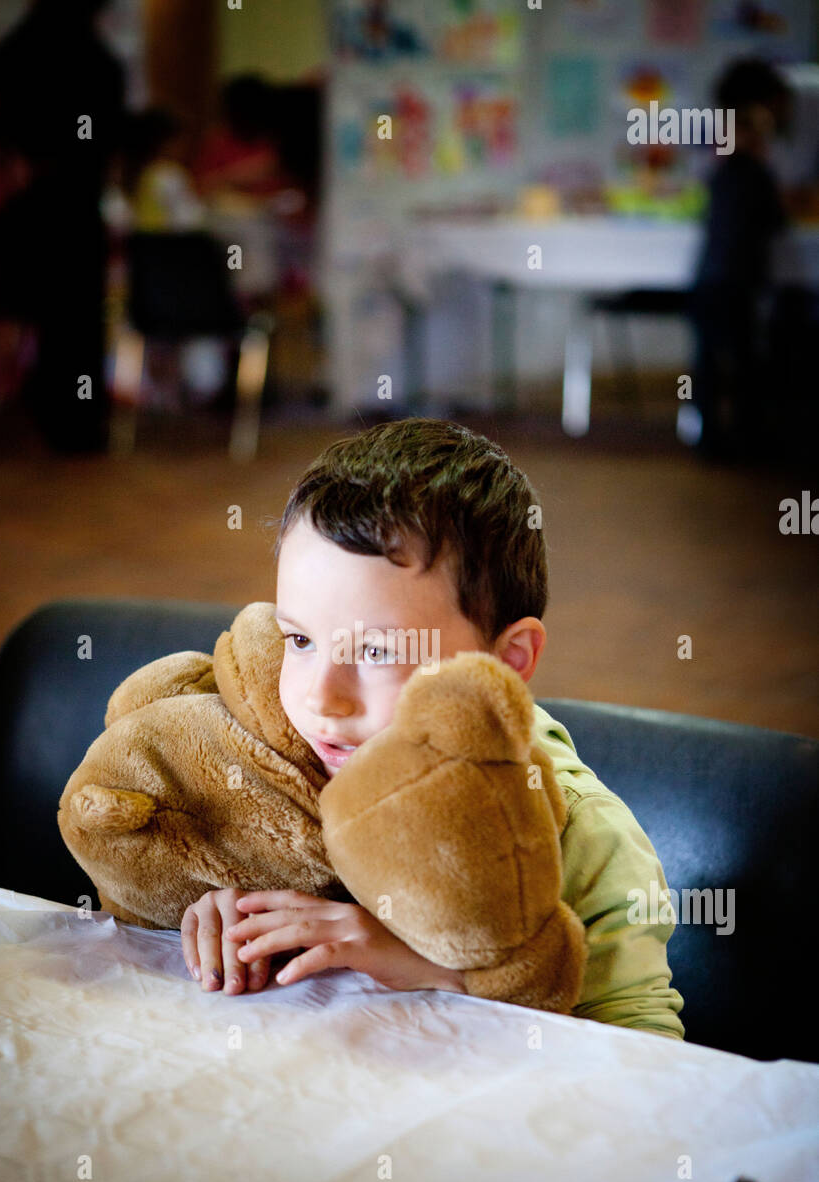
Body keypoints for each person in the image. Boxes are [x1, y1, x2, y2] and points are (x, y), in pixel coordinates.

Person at [178, 418, 686, 1041]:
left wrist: (434, 969)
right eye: (301, 640)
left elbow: (649, 1061)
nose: (320, 700)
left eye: (376, 652)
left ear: (508, 661)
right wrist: (222, 908)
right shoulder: (283, 755)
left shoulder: (587, 840)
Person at [0, 0, 124, 452]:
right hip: (72, 205)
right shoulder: (95, 59)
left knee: (52, 317)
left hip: (36, 205)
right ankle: (77, 427)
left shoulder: (26, 49)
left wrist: (12, 148)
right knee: (77, 320)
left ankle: (56, 418)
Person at [691, 59, 791, 463]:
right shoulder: (759, 175)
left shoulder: (719, 175)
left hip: (708, 283)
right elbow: (776, 223)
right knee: (746, 361)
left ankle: (710, 439)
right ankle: (747, 437)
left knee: (710, 361)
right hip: (739, 285)